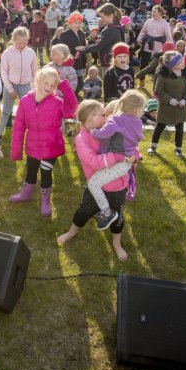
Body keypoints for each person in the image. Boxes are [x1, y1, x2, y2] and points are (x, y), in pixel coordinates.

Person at [57, 99, 135, 261]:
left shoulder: (108, 129)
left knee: (118, 217)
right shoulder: (82, 139)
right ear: (91, 117)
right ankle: (72, 232)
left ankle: (116, 243)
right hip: (96, 187)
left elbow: (131, 144)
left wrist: (135, 157)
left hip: (119, 187)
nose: (107, 117)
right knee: (84, 211)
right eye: (103, 114)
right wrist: (117, 156)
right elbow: (93, 162)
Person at [8, 66, 78, 216]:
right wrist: (16, 150)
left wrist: (64, 86)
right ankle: (26, 194)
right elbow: (19, 126)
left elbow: (72, 109)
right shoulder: (25, 101)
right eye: (46, 83)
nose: (49, 87)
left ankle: (45, 201)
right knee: (31, 171)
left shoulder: (58, 102)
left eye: (53, 85)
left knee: (46, 173)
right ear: (38, 81)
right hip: (33, 145)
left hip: (50, 146)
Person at [91, 90, 146, 206]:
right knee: (110, 185)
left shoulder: (117, 119)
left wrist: (93, 131)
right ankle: (110, 207)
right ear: (136, 109)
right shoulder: (138, 122)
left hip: (115, 161)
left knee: (94, 183)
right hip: (126, 162)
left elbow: (103, 134)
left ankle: (105, 210)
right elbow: (139, 138)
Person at [148, 50, 186, 158]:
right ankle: (153, 146)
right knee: (160, 126)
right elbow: (158, 91)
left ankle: (178, 148)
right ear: (171, 66)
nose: (183, 63)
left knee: (179, 127)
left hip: (181, 107)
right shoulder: (163, 75)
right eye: (180, 62)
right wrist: (171, 100)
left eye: (182, 60)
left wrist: (184, 101)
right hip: (166, 107)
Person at [0, 26, 39, 137]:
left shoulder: (31, 53)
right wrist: (10, 89)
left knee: (29, 111)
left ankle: (30, 134)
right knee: (6, 110)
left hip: (26, 86)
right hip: (10, 85)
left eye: (25, 43)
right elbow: (3, 72)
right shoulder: (7, 53)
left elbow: (35, 71)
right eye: (19, 43)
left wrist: (35, 87)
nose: (22, 45)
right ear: (13, 40)